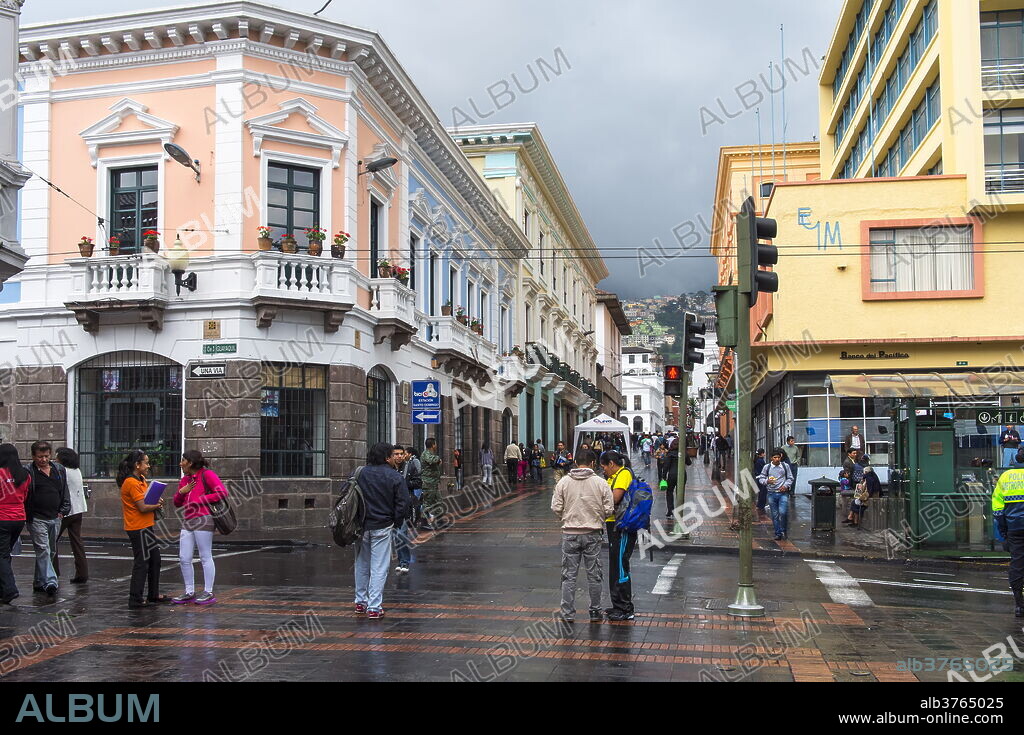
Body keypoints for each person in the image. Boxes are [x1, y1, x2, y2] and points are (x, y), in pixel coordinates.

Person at [551, 449, 615, 623]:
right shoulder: (600, 483)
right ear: (593, 463)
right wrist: (598, 517)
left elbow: (556, 506)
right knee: (594, 574)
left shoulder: (564, 482)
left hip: (570, 533)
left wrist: (565, 517)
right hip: (593, 532)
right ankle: (595, 611)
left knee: (568, 575)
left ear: (575, 462)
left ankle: (567, 613)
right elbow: (609, 508)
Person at [353, 443, 410, 619]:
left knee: (361, 564)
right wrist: (396, 521)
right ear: (386, 458)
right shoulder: (394, 476)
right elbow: (403, 503)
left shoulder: (359, 473)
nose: (395, 458)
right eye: (392, 455)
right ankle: (374, 607)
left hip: (361, 526)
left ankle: (360, 602)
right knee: (379, 567)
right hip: (383, 525)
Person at [171, 450, 228, 605]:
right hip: (188, 520)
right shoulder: (185, 480)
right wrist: (181, 493)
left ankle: (208, 592)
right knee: (184, 558)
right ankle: (189, 591)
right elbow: (177, 503)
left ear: (190, 462)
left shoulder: (206, 475)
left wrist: (201, 499)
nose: (180, 463)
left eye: (183, 460)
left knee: (205, 555)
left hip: (203, 519)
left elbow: (222, 492)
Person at [119, 450, 168, 608]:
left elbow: (145, 500)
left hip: (146, 525)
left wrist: (155, 499)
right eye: (146, 463)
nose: (148, 466)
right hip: (137, 527)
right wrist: (157, 505)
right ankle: (135, 598)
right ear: (137, 465)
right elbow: (142, 507)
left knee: (155, 559)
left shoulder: (141, 479)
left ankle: (153, 594)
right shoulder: (131, 483)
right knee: (142, 562)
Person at [25, 441, 70, 597]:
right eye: (39, 457)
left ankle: (39, 581)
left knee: (50, 551)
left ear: (50, 455)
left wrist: (64, 510)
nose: (43, 460)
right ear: (33, 456)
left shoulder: (58, 469)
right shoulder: (28, 471)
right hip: (37, 517)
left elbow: (64, 490)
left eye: (46, 456)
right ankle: (51, 581)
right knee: (43, 549)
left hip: (55, 516)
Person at [600, 451, 637, 621]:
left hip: (621, 526)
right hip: (614, 523)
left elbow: (614, 498)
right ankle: (617, 605)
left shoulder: (623, 475)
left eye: (604, 467)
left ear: (612, 464)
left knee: (621, 564)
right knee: (615, 563)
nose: (604, 470)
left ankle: (625, 608)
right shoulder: (615, 475)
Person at [993, 450, 1024, 616]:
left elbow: (998, 509)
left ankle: (1019, 604)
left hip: (1014, 528)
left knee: (1017, 564)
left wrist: (1004, 531)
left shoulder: (1005, 477)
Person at [0, 444, 31, 605]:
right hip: (19, 518)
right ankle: (3, 588)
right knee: (5, 554)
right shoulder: (24, 474)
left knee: (1, 555)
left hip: (2, 518)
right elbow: (25, 495)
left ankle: (10, 589)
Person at [53, 447, 88, 584]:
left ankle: (54, 572)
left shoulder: (63, 471)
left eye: (57, 457)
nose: (55, 460)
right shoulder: (76, 471)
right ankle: (82, 573)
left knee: (52, 541)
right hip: (78, 509)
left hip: (66, 511)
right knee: (77, 541)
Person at [757, 449, 794, 541]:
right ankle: (778, 533)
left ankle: (783, 530)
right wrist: (767, 481)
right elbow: (761, 478)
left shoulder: (785, 466)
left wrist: (786, 486)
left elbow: (790, 478)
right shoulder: (767, 467)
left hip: (783, 493)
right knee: (775, 515)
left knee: (783, 512)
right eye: (775, 457)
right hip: (771, 493)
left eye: (778, 457)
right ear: (771, 458)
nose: (777, 459)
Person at [393, 447, 418, 574]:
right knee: (395, 536)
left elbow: (418, 482)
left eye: (401, 454)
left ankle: (405, 562)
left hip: (404, 505)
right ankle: (401, 561)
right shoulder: (389, 468)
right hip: (392, 506)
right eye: (396, 454)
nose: (398, 456)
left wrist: (404, 484)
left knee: (401, 534)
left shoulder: (410, 467)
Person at [419, 439, 441, 530]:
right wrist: (438, 459)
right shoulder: (426, 454)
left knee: (438, 501)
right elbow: (432, 460)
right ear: (433, 445)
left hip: (433, 482)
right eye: (435, 444)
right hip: (428, 483)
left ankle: (440, 521)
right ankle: (423, 523)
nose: (436, 446)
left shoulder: (431, 454)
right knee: (427, 503)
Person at [663, 439, 679, 518]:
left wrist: (663, 477)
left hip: (671, 475)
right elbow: (689, 462)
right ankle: (679, 509)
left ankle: (670, 510)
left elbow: (666, 467)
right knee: (679, 492)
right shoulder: (683, 453)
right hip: (682, 475)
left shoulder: (670, 454)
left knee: (669, 492)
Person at [754, 450, 768, 514]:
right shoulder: (761, 461)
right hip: (761, 477)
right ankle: (761, 505)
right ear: (762, 454)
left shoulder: (757, 460)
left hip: (758, 477)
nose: (764, 454)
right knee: (763, 492)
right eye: (764, 453)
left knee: (760, 492)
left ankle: (759, 505)